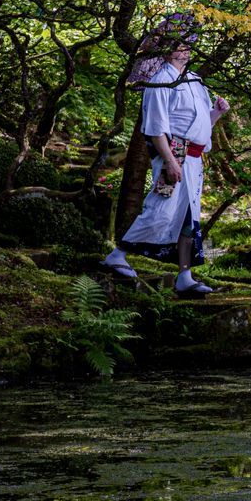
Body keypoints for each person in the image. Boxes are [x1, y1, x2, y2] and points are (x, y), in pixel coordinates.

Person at [102, 15, 230, 297]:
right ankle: (118, 254)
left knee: (189, 217)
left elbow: (200, 126)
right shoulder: (160, 81)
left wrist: (218, 113)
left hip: (194, 158)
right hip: (174, 154)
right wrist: (171, 162)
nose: (185, 48)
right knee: (160, 209)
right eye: (178, 44)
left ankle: (184, 275)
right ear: (167, 48)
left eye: (187, 44)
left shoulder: (195, 80)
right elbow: (156, 128)